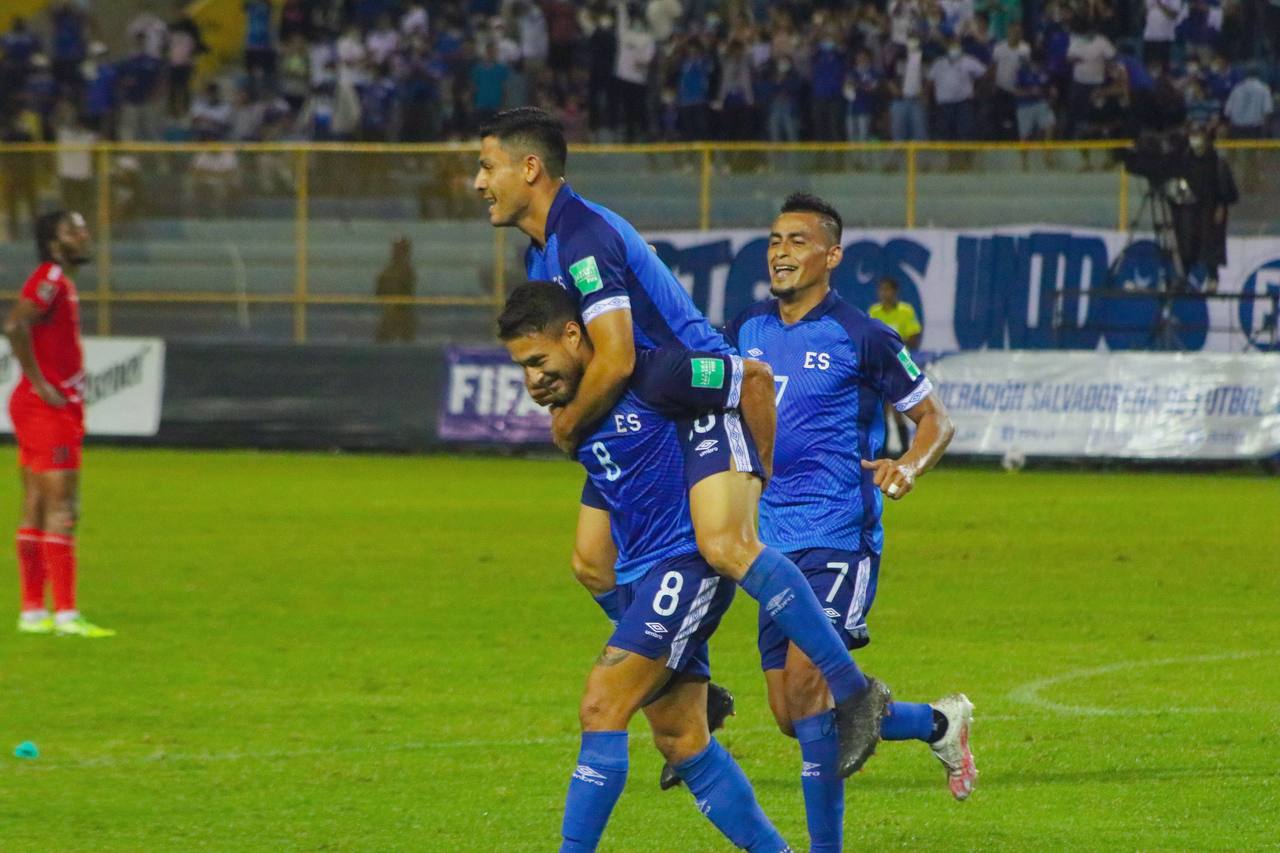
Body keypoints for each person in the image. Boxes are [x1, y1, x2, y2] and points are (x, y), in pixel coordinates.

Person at [474, 107, 890, 778]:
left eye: (487, 166)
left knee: (726, 545)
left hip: (691, 394)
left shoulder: (581, 237)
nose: (477, 181)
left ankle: (854, 690)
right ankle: (683, 673)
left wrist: (567, 422)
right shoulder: (541, 250)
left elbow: (611, 358)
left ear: (529, 169)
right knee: (591, 561)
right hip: (640, 413)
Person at [498, 281, 791, 852]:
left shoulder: (649, 375)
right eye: (522, 368)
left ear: (576, 334)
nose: (533, 378)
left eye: (538, 361)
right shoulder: (582, 406)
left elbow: (751, 379)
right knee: (682, 738)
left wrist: (755, 479)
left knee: (602, 702)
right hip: (640, 575)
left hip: (684, 562)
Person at [723, 195, 972, 849]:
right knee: (790, 712)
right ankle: (936, 723)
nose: (780, 251)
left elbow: (936, 420)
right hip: (766, 541)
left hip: (839, 533)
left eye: (798, 240)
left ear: (831, 256)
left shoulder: (862, 335)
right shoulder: (745, 328)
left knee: (808, 686)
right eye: (774, 239)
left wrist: (908, 467)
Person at [7, 211, 114, 638]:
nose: (84, 235)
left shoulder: (58, 281)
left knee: (36, 503)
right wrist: (40, 382)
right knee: (63, 508)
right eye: (74, 230)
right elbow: (15, 325)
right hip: (47, 409)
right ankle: (67, 615)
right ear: (54, 242)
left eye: (85, 228)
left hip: (41, 407)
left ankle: (33, 612)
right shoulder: (49, 276)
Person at [1171, 126, 1238, 293]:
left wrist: (1221, 206)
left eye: (1197, 135)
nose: (1194, 139)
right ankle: (1184, 276)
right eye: (1192, 135)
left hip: (1210, 208)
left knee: (1211, 244)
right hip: (1190, 208)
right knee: (1187, 242)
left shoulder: (1216, 161)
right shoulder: (1186, 159)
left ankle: (1213, 279)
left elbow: (1226, 188)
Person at [870, 276, 923, 452]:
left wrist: (894, 347)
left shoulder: (905, 311)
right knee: (881, 411)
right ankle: (882, 452)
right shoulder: (874, 312)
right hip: (879, 366)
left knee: (898, 410)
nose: (885, 294)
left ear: (895, 292)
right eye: (882, 290)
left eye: (888, 290)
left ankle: (905, 450)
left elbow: (914, 337)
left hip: (899, 366)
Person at [374, 236, 417, 343]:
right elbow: (379, 292)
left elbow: (407, 292)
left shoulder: (408, 272)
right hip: (389, 316)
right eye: (396, 249)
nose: (397, 253)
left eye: (401, 250)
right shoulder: (387, 271)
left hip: (404, 316)